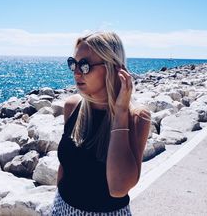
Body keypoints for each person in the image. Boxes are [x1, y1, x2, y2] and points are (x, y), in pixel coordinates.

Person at [52, 31, 151, 215]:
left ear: (114, 68)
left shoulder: (137, 118)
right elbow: (65, 168)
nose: (76, 72)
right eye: (73, 63)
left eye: (84, 65)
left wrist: (120, 112)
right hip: (61, 209)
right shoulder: (72, 107)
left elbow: (119, 188)